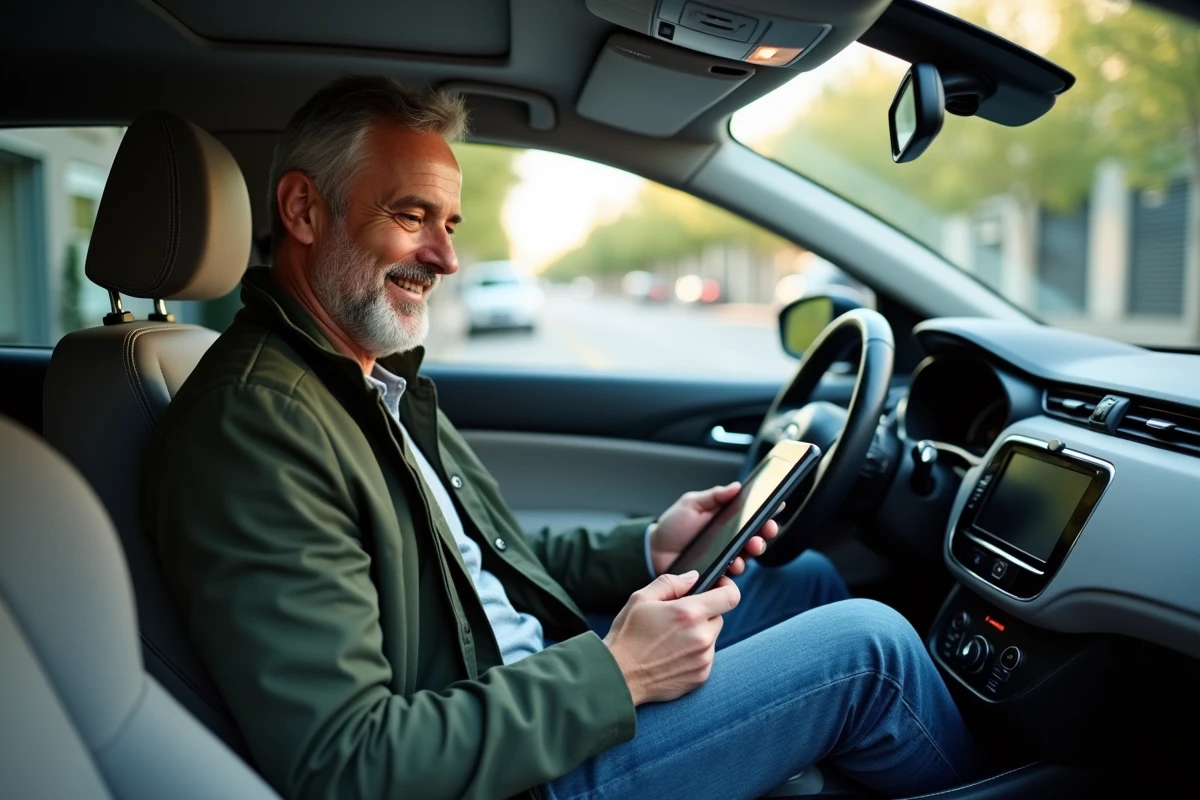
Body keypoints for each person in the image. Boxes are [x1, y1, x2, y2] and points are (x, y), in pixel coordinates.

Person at [143, 75, 977, 800]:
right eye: (411, 215)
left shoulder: (362, 378)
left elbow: (479, 572)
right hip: (518, 775)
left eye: (452, 224)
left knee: (806, 580)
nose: (444, 257)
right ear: (302, 209)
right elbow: (347, 766)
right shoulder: (257, 424)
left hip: (524, 693)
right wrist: (617, 674)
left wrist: (648, 550)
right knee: (871, 654)